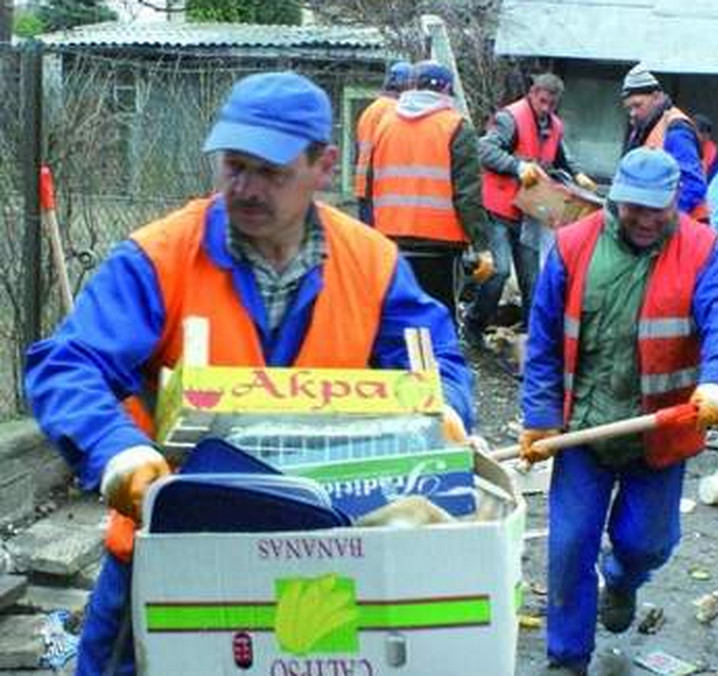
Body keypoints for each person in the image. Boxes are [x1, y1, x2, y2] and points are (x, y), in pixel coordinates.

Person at [23, 71, 475, 676]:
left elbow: (433, 354)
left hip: (320, 553)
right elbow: (69, 363)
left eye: (271, 171)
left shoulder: (372, 263)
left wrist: (443, 407)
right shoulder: (162, 257)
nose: (246, 188)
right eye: (234, 166)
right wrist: (118, 453)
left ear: (324, 165)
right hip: (172, 547)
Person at [520, 148, 718, 675]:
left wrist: (716, 384)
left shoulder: (703, 250)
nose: (645, 220)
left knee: (648, 542)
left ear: (675, 203)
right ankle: (567, 658)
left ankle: (621, 578)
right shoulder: (574, 247)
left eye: (657, 210)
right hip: (584, 431)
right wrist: (539, 414)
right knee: (570, 545)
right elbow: (545, 340)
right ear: (615, 201)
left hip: (659, 434)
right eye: (633, 208)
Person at [468, 72, 596, 344]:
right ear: (533, 93)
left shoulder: (554, 126)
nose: (546, 107)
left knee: (532, 280)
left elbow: (562, 156)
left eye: (551, 103)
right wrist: (518, 166)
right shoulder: (510, 118)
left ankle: (533, 342)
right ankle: (473, 326)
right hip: (498, 209)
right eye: (542, 101)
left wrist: (578, 175)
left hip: (529, 214)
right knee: (499, 271)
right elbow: (484, 150)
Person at [366, 59, 493, 319]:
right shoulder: (455, 126)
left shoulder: (384, 124)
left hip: (390, 239)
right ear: (445, 90)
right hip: (440, 247)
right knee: (437, 324)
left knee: (395, 319)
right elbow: (467, 195)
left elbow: (370, 186)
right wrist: (482, 246)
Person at [620, 63, 709, 221]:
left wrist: (664, 222)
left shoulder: (676, 130)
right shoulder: (644, 128)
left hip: (684, 226)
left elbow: (693, 185)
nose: (632, 113)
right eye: (628, 109)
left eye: (637, 105)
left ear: (656, 97)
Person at [353, 59, 412, 223]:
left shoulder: (370, 110)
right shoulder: (395, 110)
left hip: (364, 187)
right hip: (383, 191)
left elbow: (358, 151)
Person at [693, 113, 718, 181]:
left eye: (707, 132)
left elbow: (714, 174)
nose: (705, 136)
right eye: (701, 131)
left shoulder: (712, 150)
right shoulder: (685, 142)